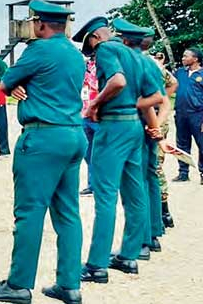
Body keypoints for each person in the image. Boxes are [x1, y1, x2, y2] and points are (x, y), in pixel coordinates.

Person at [0, 1, 85, 304]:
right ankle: (69, 283)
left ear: (40, 24)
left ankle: (19, 284)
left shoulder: (38, 50)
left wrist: (19, 85)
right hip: (73, 134)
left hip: (43, 136)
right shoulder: (75, 55)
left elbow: (6, 81)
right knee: (68, 213)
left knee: (30, 211)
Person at [72, 16, 163, 282]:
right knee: (135, 193)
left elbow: (117, 82)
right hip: (134, 128)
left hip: (112, 128)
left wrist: (94, 105)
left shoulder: (107, 49)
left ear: (94, 38)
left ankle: (97, 265)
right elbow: (157, 96)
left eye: (90, 47)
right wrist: (132, 107)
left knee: (105, 195)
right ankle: (129, 256)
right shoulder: (137, 56)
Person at [114, 20, 170, 257]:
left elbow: (152, 100)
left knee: (138, 183)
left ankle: (143, 240)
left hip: (139, 125)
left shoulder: (136, 63)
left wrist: (153, 126)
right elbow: (165, 99)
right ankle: (154, 233)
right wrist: (158, 127)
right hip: (150, 126)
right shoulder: (151, 64)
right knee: (150, 178)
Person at [147, 42, 178, 228]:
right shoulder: (155, 64)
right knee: (156, 165)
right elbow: (174, 82)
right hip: (159, 116)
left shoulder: (143, 64)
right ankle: (163, 212)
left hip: (154, 118)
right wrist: (163, 98)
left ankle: (163, 212)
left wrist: (159, 100)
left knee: (155, 166)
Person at [171, 47, 203, 182]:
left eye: (186, 56)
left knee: (202, 144)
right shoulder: (180, 73)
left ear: (195, 59)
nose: (183, 58)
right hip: (181, 114)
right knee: (182, 145)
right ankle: (183, 173)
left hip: (197, 115)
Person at [79, 56, 99, 196]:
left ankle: (101, 185)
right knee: (88, 152)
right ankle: (92, 185)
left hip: (100, 115)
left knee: (101, 152)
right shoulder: (84, 67)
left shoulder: (106, 66)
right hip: (84, 114)